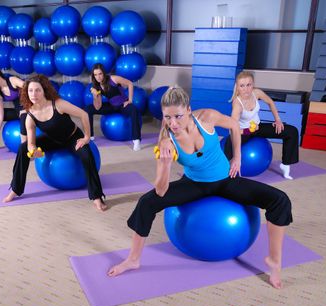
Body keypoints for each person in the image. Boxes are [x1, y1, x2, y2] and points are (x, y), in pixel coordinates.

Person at [107, 87, 292, 289]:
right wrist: (167, 164)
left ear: (188, 110)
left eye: (178, 116)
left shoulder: (207, 118)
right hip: (193, 184)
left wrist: (237, 157)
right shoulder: (166, 141)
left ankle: (275, 261)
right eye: (167, 118)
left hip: (226, 181)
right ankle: (133, 259)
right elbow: (160, 191)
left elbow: (234, 125)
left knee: (280, 199)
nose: (173, 123)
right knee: (146, 202)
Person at [2, 74, 108, 212]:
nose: (34, 94)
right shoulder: (30, 116)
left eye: (38, 90)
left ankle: (97, 196)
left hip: (72, 137)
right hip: (53, 139)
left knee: (87, 156)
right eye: (30, 90)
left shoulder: (57, 104)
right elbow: (30, 144)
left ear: (44, 90)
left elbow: (83, 114)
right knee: (22, 148)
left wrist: (87, 137)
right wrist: (34, 151)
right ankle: (16, 189)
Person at [223, 71, 299, 179]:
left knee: (292, 131)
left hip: (257, 127)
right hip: (241, 131)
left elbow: (270, 102)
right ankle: (225, 174)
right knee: (228, 151)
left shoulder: (256, 93)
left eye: (249, 85)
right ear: (237, 87)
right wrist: (247, 131)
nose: (246, 89)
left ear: (253, 84)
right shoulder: (237, 104)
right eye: (242, 86)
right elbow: (233, 128)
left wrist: (277, 120)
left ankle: (285, 164)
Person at [85, 63, 142, 151]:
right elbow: (98, 107)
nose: (98, 77)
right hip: (111, 106)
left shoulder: (113, 78)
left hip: (123, 104)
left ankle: (136, 140)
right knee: (88, 109)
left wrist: (130, 100)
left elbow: (130, 83)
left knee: (134, 110)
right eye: (95, 75)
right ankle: (90, 136)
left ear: (103, 73)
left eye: (100, 74)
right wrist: (95, 95)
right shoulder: (96, 86)